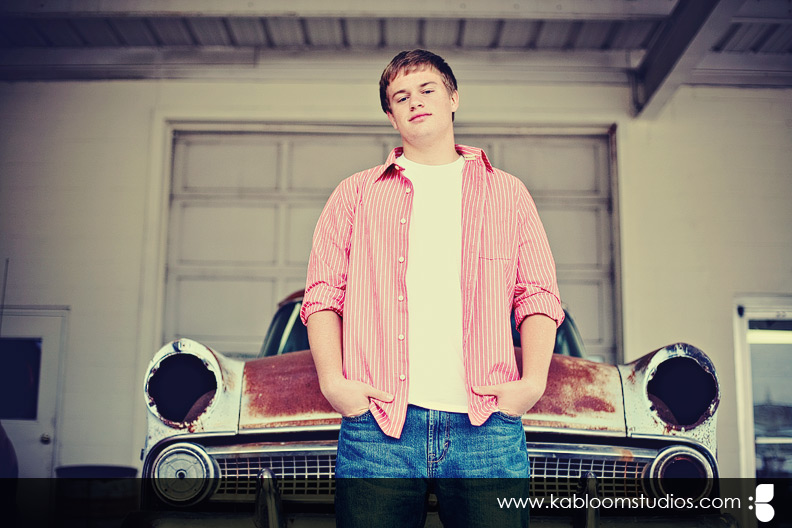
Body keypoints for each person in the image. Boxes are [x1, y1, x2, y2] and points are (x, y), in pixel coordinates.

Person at [300, 49, 564, 527]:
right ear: (390, 114)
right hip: (378, 425)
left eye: (427, 90)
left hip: (486, 425)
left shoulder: (507, 193)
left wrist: (532, 385)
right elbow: (323, 294)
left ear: (453, 98)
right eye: (401, 96)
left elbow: (537, 294)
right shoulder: (355, 194)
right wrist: (334, 384)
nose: (415, 102)